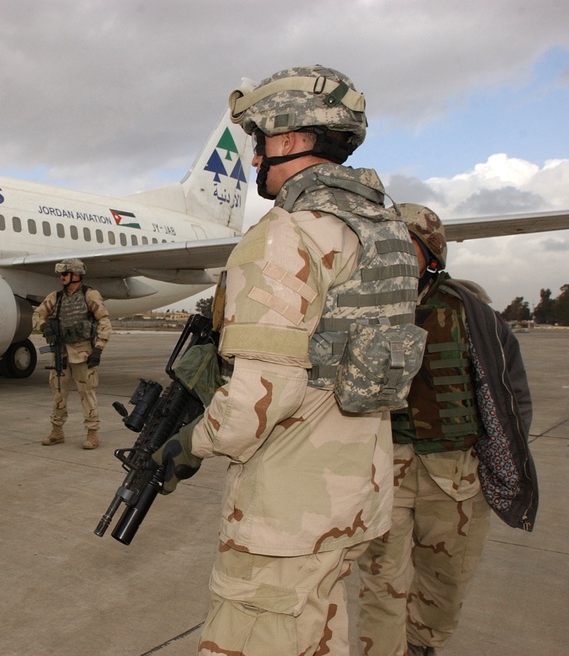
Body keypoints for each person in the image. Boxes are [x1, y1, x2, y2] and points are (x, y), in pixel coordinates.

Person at [156, 66, 421, 655]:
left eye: (260, 142)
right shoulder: (386, 230)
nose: (254, 160)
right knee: (318, 632)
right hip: (356, 494)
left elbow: (258, 398)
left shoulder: (289, 233)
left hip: (289, 513)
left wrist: (190, 444)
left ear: (294, 139)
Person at [357, 204, 537, 656]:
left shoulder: (470, 313)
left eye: (404, 244)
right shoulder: (359, 309)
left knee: (446, 583)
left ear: (431, 254)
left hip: (455, 476)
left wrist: (501, 455)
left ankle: (420, 645)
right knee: (381, 583)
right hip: (384, 471)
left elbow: (509, 392)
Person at [33, 258, 112, 450]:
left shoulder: (90, 295)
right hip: (61, 353)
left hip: (83, 352)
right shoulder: (56, 297)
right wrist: (45, 327)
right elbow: (38, 314)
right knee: (58, 392)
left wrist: (99, 348)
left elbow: (104, 321)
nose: (61, 277)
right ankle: (57, 431)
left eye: (64, 274)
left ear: (76, 275)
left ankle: (92, 433)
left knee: (87, 393)